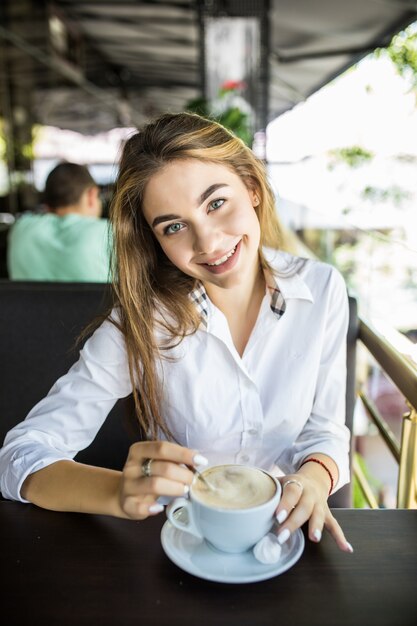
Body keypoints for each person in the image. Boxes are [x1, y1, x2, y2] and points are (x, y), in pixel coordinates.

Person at [0, 112, 353, 553]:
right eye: (174, 226)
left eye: (216, 203)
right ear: (155, 241)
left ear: (253, 188)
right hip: (182, 540)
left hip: (285, 533)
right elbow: (21, 455)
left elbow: (326, 430)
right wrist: (117, 494)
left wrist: (314, 478)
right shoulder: (143, 322)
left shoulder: (322, 289)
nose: (207, 243)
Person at [7, 162, 111, 282]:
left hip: (24, 301)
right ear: (91, 195)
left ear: (47, 206)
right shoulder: (107, 233)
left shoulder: (21, 229)